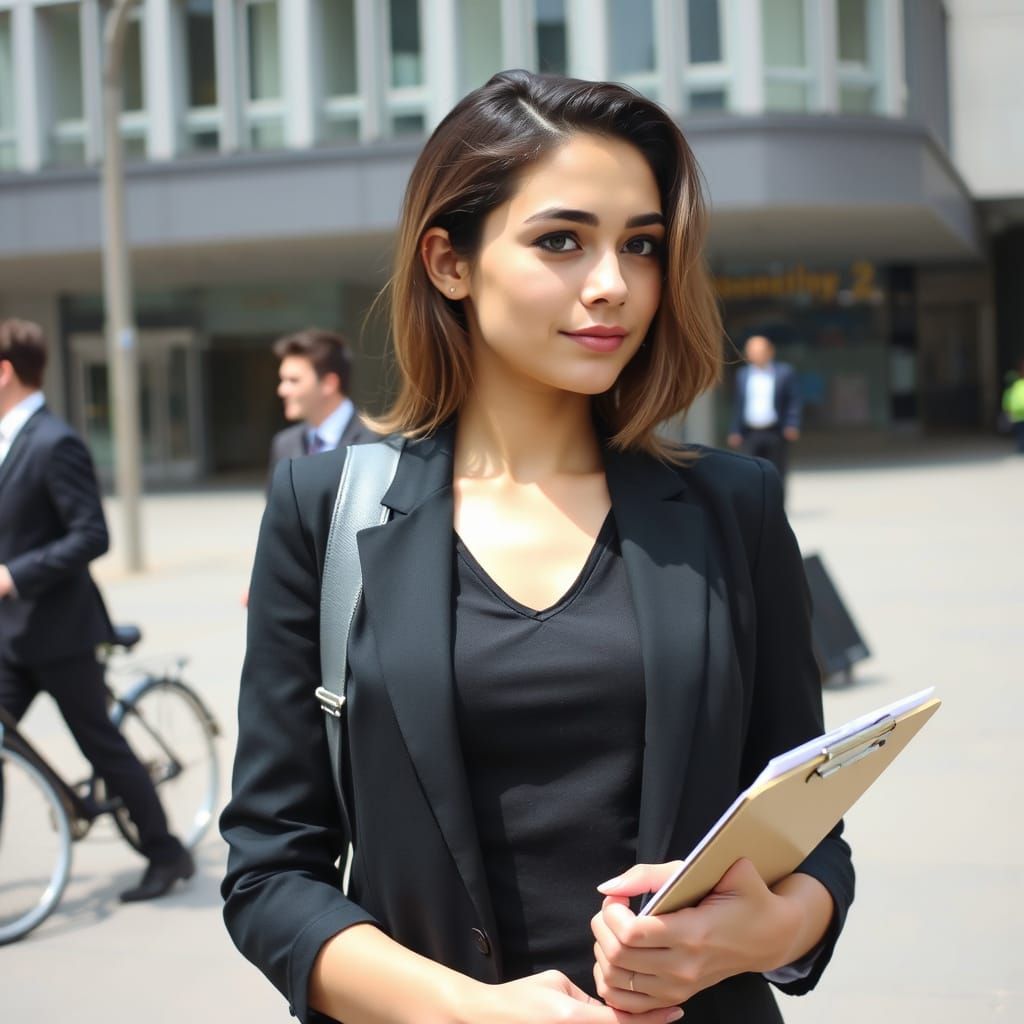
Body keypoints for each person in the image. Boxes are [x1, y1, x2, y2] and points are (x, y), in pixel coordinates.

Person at [221, 71, 854, 1024]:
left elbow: (811, 841)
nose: (613, 285)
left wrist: (757, 935)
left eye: (639, 245)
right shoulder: (326, 510)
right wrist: (469, 1010)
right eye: (561, 240)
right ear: (449, 261)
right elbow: (272, 873)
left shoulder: (735, 506)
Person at [0, 318, 194, 903]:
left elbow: (91, 534)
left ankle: (167, 852)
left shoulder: (54, 441)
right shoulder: (8, 439)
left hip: (59, 632)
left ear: (5, 371)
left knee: (100, 743)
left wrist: (15, 574)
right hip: (10, 636)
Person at [267, 328, 377, 488]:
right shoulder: (284, 444)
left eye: (293, 380)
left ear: (329, 383)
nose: (282, 390)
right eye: (282, 380)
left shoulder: (377, 443)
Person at [727, 335, 802, 500]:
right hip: (750, 431)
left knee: (777, 471)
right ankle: (754, 504)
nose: (755, 355)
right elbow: (738, 405)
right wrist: (735, 430)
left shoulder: (784, 373)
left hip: (775, 430)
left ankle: (777, 506)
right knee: (749, 470)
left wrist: (792, 423)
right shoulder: (743, 375)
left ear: (770, 352)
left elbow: (793, 401)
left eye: (759, 351)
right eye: (751, 352)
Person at [1002, 362, 1024, 454]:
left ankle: (1020, 447)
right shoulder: (1021, 384)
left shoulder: (1011, 389)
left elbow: (1007, 402)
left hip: (1016, 415)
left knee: (1020, 433)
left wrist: (1007, 412)